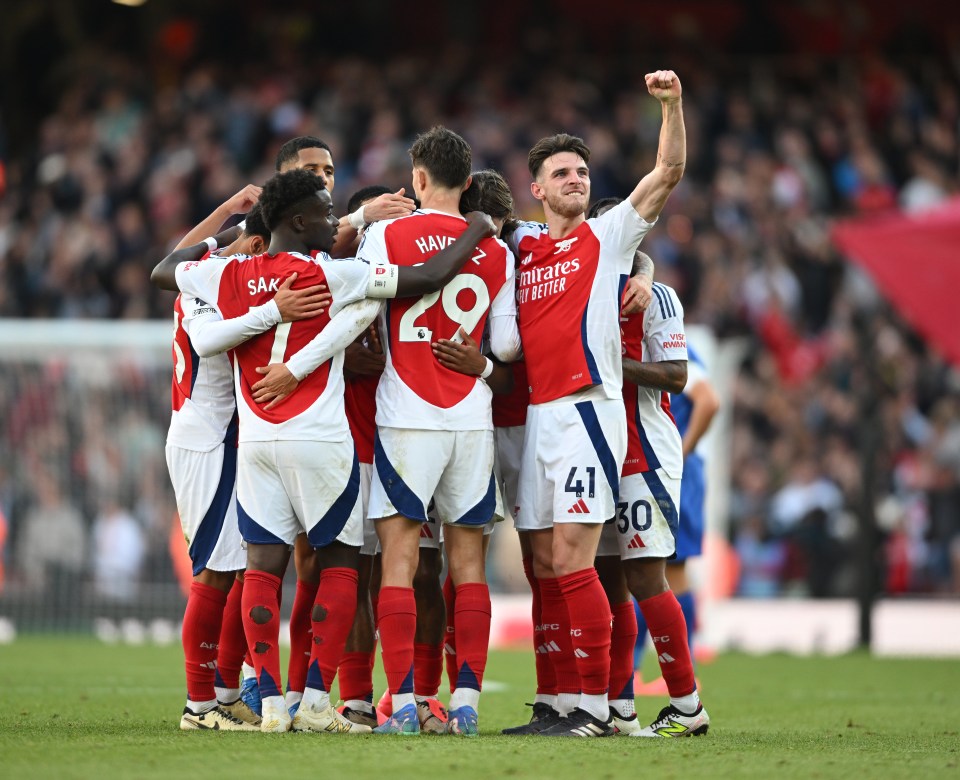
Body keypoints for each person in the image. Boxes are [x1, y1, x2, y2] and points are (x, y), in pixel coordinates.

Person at [153, 168, 496, 733]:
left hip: (257, 442)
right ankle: (314, 702)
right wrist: (475, 230)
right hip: (320, 439)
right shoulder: (336, 275)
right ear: (296, 221)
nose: (335, 221)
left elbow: (165, 271)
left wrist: (228, 241)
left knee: (262, 567)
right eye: (325, 211)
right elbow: (431, 274)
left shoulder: (228, 275)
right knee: (340, 562)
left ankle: (266, 703)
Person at [502, 69, 685, 738]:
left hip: (587, 411)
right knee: (549, 564)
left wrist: (672, 105)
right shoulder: (519, 246)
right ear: (538, 189)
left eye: (581, 169)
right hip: (539, 418)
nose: (576, 178)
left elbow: (668, 171)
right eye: (562, 172)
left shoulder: (606, 238)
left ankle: (593, 709)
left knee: (577, 560)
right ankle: (564, 702)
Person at [356, 128, 521, 736]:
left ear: (418, 179)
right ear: (471, 184)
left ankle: (400, 705)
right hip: (470, 419)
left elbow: (361, 311)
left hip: (406, 416)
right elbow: (505, 346)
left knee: (398, 561)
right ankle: (467, 706)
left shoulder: (386, 234)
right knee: (469, 565)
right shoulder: (498, 252)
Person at [164, 195, 330, 732]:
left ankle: (225, 691)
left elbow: (174, 260)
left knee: (240, 570)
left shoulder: (219, 271)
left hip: (234, 435)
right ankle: (197, 704)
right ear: (258, 245)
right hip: (202, 437)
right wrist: (274, 310)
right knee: (214, 572)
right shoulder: (210, 279)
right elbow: (204, 330)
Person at [274, 139, 412, 715]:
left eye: (331, 170)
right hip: (324, 436)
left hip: (392, 437)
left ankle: (366, 695)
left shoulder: (364, 273)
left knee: (380, 569)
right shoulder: (295, 261)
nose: (324, 181)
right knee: (317, 564)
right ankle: (315, 691)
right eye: (313, 172)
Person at [589, 239, 708, 738]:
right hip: (599, 453)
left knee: (646, 576)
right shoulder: (586, 293)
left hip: (645, 453)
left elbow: (680, 376)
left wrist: (613, 365)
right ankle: (621, 704)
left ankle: (687, 705)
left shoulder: (656, 296)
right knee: (606, 577)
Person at [634, 344, 719, 691]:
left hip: (675, 475)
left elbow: (709, 401)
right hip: (665, 471)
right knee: (648, 569)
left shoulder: (677, 347)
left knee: (670, 570)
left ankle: (683, 674)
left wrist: (681, 452)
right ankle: (638, 670)